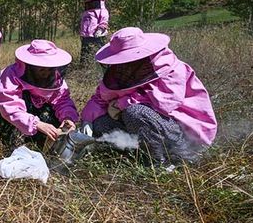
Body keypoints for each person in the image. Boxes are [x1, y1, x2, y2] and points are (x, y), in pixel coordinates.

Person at [81, 27, 217, 165]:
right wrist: (86, 120)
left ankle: (164, 163)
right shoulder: (121, 72)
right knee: (100, 123)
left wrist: (121, 103)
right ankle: (137, 154)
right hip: (146, 128)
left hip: (181, 132)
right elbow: (99, 98)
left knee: (135, 112)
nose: (124, 64)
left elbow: (164, 102)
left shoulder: (172, 69)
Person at [0, 40, 79, 151]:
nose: (46, 73)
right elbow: (9, 105)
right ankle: (11, 138)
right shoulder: (11, 74)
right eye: (42, 69)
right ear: (30, 66)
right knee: (9, 137)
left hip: (34, 112)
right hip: (8, 114)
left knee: (56, 128)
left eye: (50, 69)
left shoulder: (55, 77)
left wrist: (68, 118)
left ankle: (37, 138)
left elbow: (62, 100)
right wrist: (36, 124)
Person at [79, 0, 109, 65]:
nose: (91, 4)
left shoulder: (102, 10)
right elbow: (83, 24)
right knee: (85, 54)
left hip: (98, 36)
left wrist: (100, 30)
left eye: (93, 2)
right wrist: (82, 33)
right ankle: (84, 68)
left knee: (100, 53)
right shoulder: (86, 12)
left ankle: (102, 67)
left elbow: (104, 21)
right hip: (86, 36)